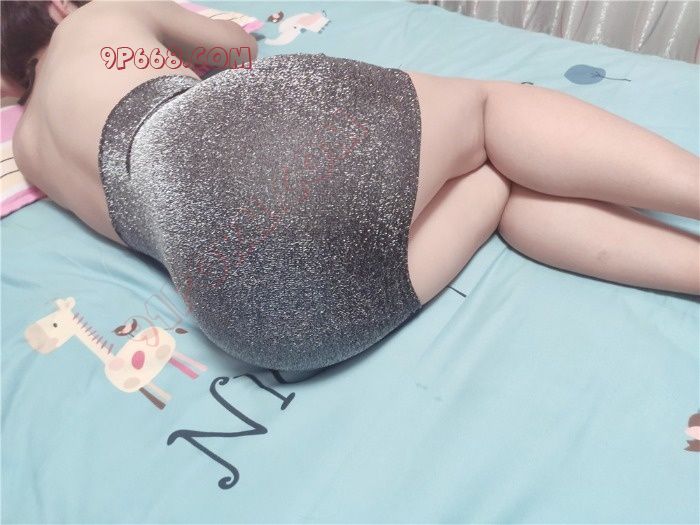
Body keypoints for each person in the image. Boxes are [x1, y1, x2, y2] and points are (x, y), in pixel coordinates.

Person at [3, 0, 699, 371]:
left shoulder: (29, 151)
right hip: (229, 143)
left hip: (265, 322)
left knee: (492, 176)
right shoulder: (98, 17)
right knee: (490, 115)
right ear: (57, 7)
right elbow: (235, 47)